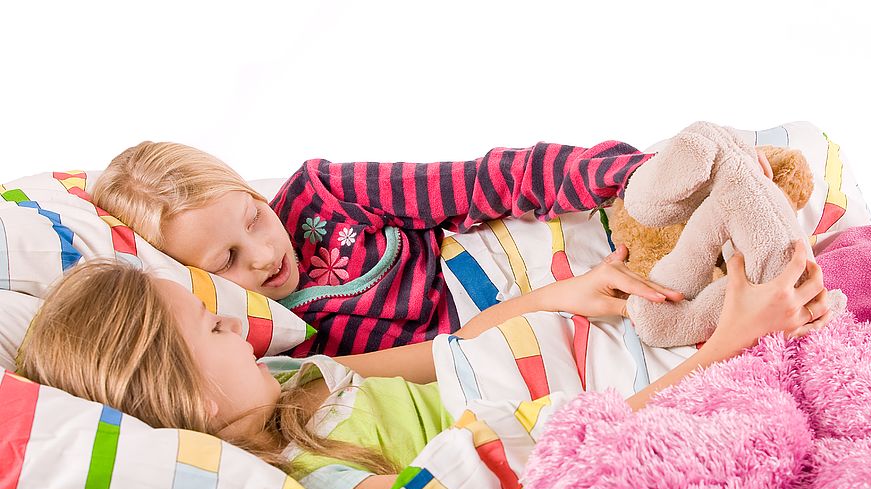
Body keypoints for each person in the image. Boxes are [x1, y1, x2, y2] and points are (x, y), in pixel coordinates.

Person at [16, 241, 831, 489]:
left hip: (595, 363)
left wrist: (561, 294)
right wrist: (725, 348)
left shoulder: (301, 386)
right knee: (827, 305)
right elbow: (544, 483)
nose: (236, 315)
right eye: (208, 321)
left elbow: (448, 352)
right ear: (171, 384)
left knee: (824, 257)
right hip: (623, 416)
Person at [91, 139, 657, 357]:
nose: (262, 255)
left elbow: (481, 182)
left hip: (504, 253)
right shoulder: (257, 339)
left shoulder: (322, 194)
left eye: (254, 219)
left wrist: (631, 175)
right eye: (226, 262)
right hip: (507, 336)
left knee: (644, 198)